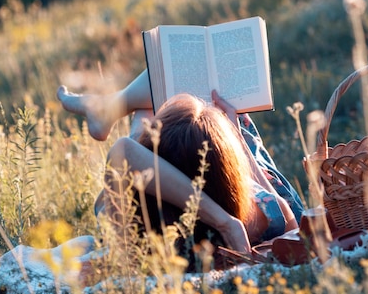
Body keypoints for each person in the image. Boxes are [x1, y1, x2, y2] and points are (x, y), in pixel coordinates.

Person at [57, 70, 304, 256]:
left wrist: (225, 222)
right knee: (178, 87)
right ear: (227, 167)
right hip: (236, 194)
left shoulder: (131, 222)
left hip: (152, 189)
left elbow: (125, 150)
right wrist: (237, 138)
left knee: (160, 86)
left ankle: (108, 108)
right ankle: (109, 108)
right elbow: (286, 214)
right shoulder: (258, 217)